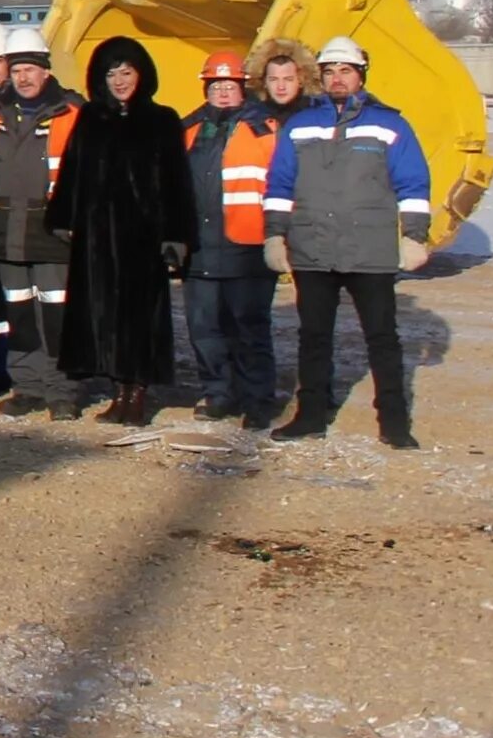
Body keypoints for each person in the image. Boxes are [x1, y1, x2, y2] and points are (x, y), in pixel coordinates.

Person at [266, 37, 431, 449]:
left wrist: (414, 236)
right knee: (314, 336)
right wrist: (274, 234)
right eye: (329, 72)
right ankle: (310, 416)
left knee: (381, 337)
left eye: (345, 70)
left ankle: (393, 422)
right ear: (320, 78)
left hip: (369, 250)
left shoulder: (390, 125)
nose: (337, 78)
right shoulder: (300, 125)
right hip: (313, 246)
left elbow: (413, 183)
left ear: (361, 74)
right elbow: (280, 184)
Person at [48, 36, 194, 425]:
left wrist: (176, 236)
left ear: (141, 74)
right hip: (97, 237)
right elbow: (72, 171)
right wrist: (63, 218)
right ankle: (117, 390)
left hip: (143, 238)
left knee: (139, 317)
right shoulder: (92, 118)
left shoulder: (162, 119)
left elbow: (177, 181)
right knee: (104, 315)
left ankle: (137, 393)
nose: (119, 81)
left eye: (126, 72)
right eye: (111, 73)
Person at [0, 29, 85, 418]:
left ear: (46, 72)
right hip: (7, 230)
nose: (23, 78)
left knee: (57, 315)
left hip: (54, 231)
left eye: (30, 70)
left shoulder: (73, 114)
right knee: (19, 314)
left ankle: (62, 391)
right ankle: (27, 387)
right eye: (17, 70)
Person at [181, 51, 283, 428]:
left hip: (248, 244)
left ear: (243, 88)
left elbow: (283, 185)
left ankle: (257, 398)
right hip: (201, 246)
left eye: (230, 86)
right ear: (206, 88)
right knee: (204, 327)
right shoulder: (189, 128)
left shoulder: (265, 128)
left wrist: (280, 236)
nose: (223, 93)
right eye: (216, 86)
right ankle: (217, 392)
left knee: (249, 327)